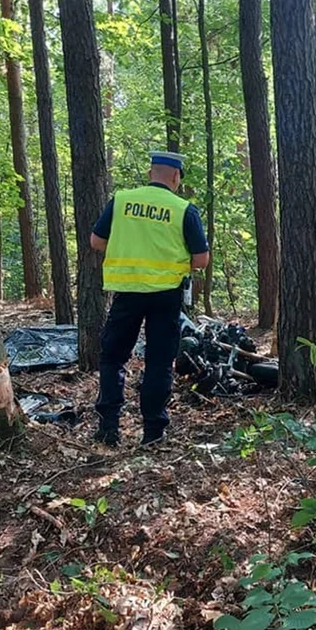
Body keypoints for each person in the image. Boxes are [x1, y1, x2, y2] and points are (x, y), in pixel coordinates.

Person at [89, 151, 210, 447]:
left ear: (150, 172)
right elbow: (202, 259)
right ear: (176, 177)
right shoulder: (183, 209)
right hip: (166, 296)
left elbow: (96, 241)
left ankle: (108, 428)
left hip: (127, 291)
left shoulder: (121, 201)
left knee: (113, 357)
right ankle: (153, 432)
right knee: (159, 360)